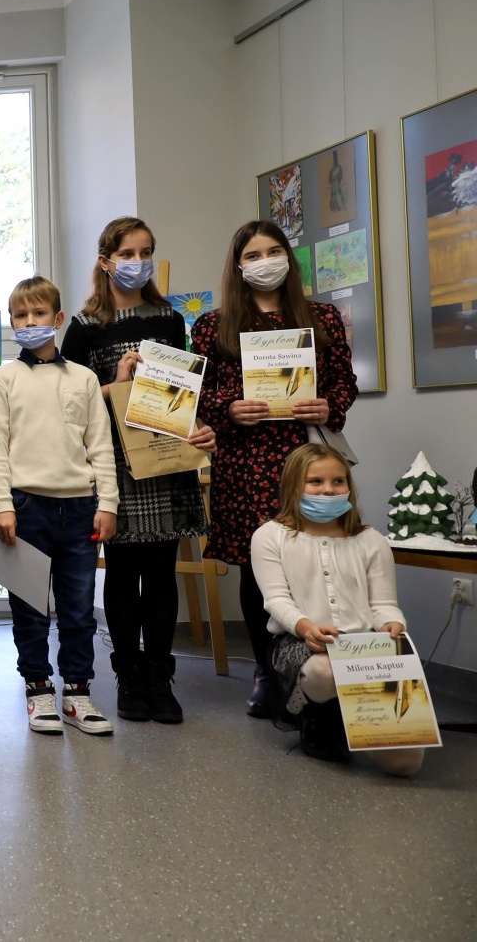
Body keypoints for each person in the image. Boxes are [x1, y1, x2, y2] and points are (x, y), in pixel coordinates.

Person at [191, 220, 356, 718]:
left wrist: (328, 406)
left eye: (273, 250)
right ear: (238, 265)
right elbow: (197, 390)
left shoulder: (322, 317)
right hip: (245, 462)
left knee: (314, 558)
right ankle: (267, 670)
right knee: (255, 565)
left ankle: (319, 664)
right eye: (253, 254)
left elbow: (344, 382)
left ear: (289, 257)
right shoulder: (214, 324)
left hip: (306, 457)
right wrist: (228, 408)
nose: (265, 261)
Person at [62, 218, 217, 725]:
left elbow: (183, 391)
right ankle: (128, 674)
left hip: (166, 457)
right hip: (117, 461)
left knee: (162, 572)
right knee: (125, 571)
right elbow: (68, 402)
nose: (137, 261)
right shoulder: (85, 327)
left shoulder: (170, 320)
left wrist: (200, 427)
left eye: (146, 251)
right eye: (127, 252)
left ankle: (159, 675)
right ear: (105, 259)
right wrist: (117, 381)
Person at [0, 275, 119, 737]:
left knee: (79, 608)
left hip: (81, 507)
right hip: (24, 508)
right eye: (20, 315)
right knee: (29, 607)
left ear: (58, 319)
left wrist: (110, 504)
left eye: (38, 314)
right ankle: (38, 690)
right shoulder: (3, 379)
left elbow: (100, 446)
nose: (29, 322)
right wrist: (2, 504)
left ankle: (77, 694)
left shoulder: (83, 378)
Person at [252, 445, 424, 776]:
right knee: (326, 672)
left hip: (365, 650)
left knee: (406, 765)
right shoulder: (270, 537)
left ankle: (350, 717)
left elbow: (384, 604)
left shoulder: (372, 540)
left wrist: (392, 624)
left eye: (338, 481)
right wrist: (305, 627)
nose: (328, 490)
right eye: (315, 481)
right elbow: (276, 600)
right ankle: (315, 717)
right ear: (292, 486)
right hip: (300, 644)